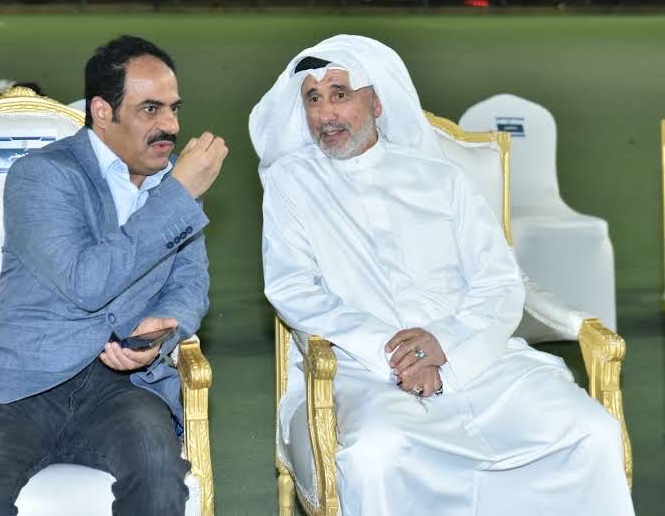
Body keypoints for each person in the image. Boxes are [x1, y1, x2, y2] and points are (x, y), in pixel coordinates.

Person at [251, 34, 633, 516]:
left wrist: (445, 345)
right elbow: (293, 288)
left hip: (479, 360)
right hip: (365, 368)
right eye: (313, 99)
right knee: (377, 455)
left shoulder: (442, 177)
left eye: (340, 94)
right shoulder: (291, 183)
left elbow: (499, 282)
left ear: (376, 102)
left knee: (591, 430)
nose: (326, 114)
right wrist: (395, 352)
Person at [0, 35, 228, 516]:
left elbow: (189, 283)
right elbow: (85, 283)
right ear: (103, 112)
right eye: (150, 109)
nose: (171, 126)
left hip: (125, 389)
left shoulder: (173, 183)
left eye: (174, 108)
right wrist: (176, 196)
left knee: (159, 483)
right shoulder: (41, 175)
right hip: (21, 382)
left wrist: (164, 327)